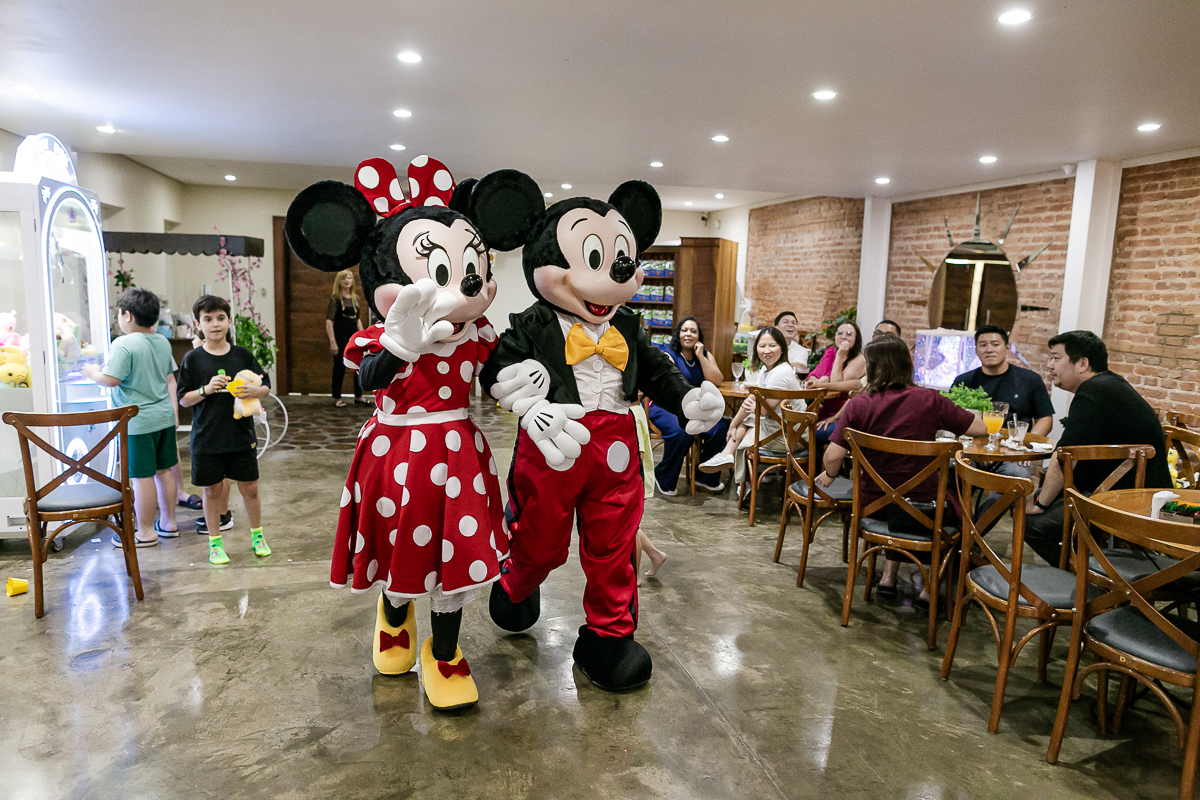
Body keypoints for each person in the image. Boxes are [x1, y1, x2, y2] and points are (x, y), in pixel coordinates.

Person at [818, 335, 987, 602]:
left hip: (874, 506)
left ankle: (888, 576)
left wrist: (830, 474)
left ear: (872, 369)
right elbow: (980, 429)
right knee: (956, 507)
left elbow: (832, 456)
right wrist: (971, 413)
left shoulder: (860, 404)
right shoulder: (930, 399)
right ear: (907, 366)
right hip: (924, 508)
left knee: (897, 500)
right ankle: (930, 588)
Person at [1023, 331, 1172, 567]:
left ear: (1082, 363)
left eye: (1056, 358)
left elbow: (1065, 457)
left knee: (1031, 524)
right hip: (1130, 493)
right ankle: (1088, 576)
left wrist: (1040, 503)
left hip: (1128, 502)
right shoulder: (1107, 385)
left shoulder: (1094, 391)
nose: (1049, 365)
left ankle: (1088, 582)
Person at [177, 295, 273, 565]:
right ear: (198, 324)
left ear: (229, 322)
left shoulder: (242, 355)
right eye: (208, 319)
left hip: (241, 437)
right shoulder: (193, 360)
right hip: (207, 439)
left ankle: (258, 536)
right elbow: (184, 399)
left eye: (220, 318)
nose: (215, 324)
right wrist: (206, 389)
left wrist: (256, 390)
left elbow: (265, 388)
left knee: (251, 488)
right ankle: (215, 543)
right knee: (211, 491)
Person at [82, 288, 180, 547]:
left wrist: (93, 372)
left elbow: (112, 380)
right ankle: (169, 523)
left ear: (128, 315)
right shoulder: (161, 341)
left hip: (138, 422)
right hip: (163, 416)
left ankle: (145, 531)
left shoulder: (124, 344)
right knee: (164, 471)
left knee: (141, 476)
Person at [699, 326, 802, 490]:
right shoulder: (766, 369)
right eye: (762, 346)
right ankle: (731, 461)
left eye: (772, 345)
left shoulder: (781, 372)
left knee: (748, 426)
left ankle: (736, 467)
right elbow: (753, 399)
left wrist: (753, 409)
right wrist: (733, 425)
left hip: (791, 436)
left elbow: (763, 412)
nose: (766, 351)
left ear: (782, 349)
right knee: (745, 420)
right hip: (777, 426)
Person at [648, 317, 730, 496]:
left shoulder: (706, 356)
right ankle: (664, 477)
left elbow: (716, 380)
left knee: (720, 427)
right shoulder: (668, 354)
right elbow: (669, 384)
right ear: (678, 334)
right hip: (665, 406)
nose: (689, 334)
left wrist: (700, 356)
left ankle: (705, 477)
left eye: (694, 331)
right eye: (685, 330)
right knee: (682, 432)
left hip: (696, 407)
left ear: (699, 336)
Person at [808, 321, 867, 443]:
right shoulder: (830, 353)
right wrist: (818, 380)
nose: (843, 337)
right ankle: (812, 462)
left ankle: (816, 462)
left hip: (843, 415)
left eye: (849, 334)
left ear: (856, 339)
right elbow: (812, 376)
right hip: (824, 410)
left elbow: (837, 384)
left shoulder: (859, 360)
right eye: (840, 333)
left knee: (811, 433)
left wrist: (840, 356)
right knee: (800, 426)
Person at [327, 269, 368, 408]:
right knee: (339, 367)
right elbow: (329, 322)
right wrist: (333, 342)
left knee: (358, 366)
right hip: (340, 336)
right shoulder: (335, 299)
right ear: (339, 281)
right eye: (344, 278)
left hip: (353, 337)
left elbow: (357, 319)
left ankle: (359, 396)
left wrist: (364, 337)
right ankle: (337, 398)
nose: (346, 280)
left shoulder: (355, 298)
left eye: (349, 278)